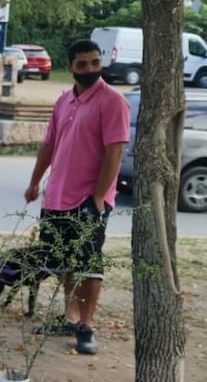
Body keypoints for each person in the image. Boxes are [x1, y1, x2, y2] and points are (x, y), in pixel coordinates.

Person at [24, 38, 130, 355]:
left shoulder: (112, 101)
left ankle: (86, 324)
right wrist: (35, 182)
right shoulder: (64, 101)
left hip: (89, 199)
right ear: (70, 67)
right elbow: (49, 144)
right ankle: (70, 318)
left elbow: (115, 151)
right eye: (82, 64)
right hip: (57, 196)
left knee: (88, 263)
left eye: (95, 62)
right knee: (63, 260)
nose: (90, 69)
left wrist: (98, 197)